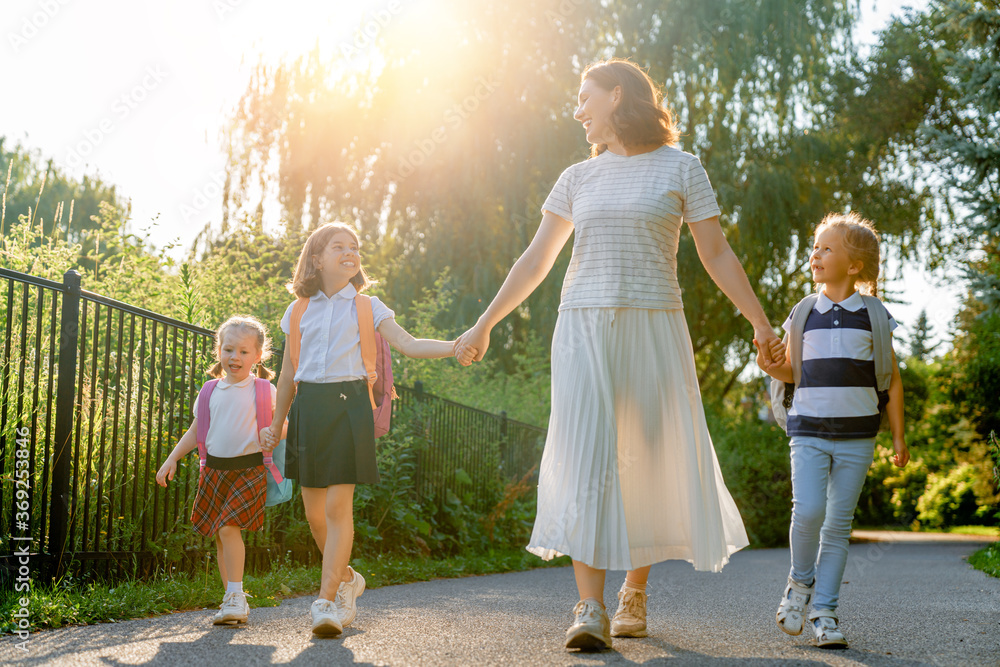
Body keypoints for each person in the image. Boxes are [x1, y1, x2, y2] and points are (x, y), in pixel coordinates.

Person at [455, 58, 785, 651]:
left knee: (646, 456)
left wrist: (760, 323)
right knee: (586, 454)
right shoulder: (576, 178)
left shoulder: (682, 168)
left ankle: (634, 590)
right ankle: (589, 605)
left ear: (616, 96)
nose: (577, 110)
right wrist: (484, 325)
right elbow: (536, 261)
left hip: (654, 324)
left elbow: (716, 254)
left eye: (584, 98)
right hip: (582, 326)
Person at [260, 222, 465, 637]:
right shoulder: (298, 309)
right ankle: (348, 579)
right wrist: (277, 423)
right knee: (314, 515)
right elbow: (286, 375)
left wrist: (454, 345)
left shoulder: (369, 305)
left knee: (337, 510)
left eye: (355, 246)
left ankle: (325, 601)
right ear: (317, 259)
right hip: (308, 410)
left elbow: (408, 343)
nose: (350, 252)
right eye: (339, 246)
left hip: (349, 406)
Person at [755, 212, 909, 649]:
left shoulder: (876, 316)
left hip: (859, 436)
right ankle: (798, 585)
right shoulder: (803, 312)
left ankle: (824, 610)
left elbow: (891, 379)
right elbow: (790, 369)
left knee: (837, 526)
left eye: (826, 248)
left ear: (854, 266)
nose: (815, 254)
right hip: (807, 429)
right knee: (807, 513)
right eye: (815, 247)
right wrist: (769, 364)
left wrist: (898, 436)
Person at [156, 315, 281, 626]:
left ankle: (237, 596)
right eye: (228, 350)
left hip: (248, 469)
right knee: (222, 537)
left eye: (242, 351)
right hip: (213, 471)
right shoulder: (210, 390)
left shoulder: (264, 390)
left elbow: (281, 427)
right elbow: (197, 428)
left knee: (228, 527)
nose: (234, 357)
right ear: (219, 351)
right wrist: (172, 458)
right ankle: (231, 598)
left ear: (257, 356)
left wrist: (273, 434)